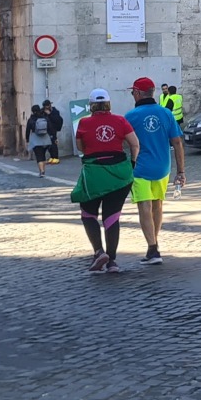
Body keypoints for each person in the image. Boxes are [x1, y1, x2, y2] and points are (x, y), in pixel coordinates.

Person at [72, 88, 139, 274]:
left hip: (95, 173)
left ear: (91, 105)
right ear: (109, 104)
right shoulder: (120, 120)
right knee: (112, 217)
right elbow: (135, 144)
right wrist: (132, 163)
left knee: (88, 214)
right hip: (119, 175)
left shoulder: (84, 122)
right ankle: (112, 261)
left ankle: (99, 251)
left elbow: (81, 147)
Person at [126, 77, 187, 264]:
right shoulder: (166, 113)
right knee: (157, 205)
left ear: (138, 93)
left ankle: (152, 249)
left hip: (140, 168)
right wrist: (181, 172)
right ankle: (154, 244)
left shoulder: (130, 116)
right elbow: (177, 142)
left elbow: (122, 144)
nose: (132, 95)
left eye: (132, 92)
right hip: (162, 168)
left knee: (144, 206)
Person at [25, 104, 52, 176]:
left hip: (35, 140)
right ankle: (43, 170)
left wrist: (27, 139)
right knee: (43, 155)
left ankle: (42, 171)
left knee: (39, 156)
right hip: (45, 139)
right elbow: (50, 127)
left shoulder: (31, 119)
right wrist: (51, 136)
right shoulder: (44, 118)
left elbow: (28, 130)